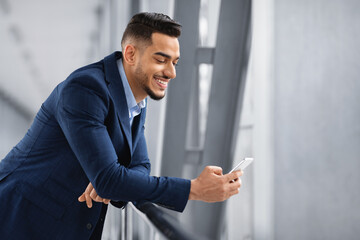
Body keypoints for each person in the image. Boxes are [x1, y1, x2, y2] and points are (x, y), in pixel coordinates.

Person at [0, 12, 242, 239]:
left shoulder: (135, 100)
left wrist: (112, 181)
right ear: (130, 54)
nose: (171, 73)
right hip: (20, 220)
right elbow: (110, 178)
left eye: (175, 62)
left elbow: (139, 165)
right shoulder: (85, 89)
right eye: (161, 60)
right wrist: (193, 189)